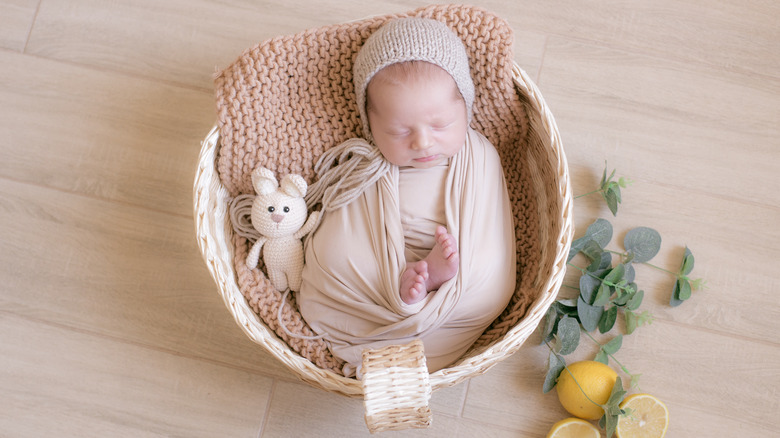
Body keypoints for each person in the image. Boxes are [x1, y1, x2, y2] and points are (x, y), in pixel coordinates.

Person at [298, 17, 516, 376]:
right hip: (373, 267)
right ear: (369, 124)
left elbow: (490, 222)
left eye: (441, 125)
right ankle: (404, 288)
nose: (423, 142)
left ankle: (430, 281)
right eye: (398, 131)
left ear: (466, 106)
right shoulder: (364, 162)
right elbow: (342, 211)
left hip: (456, 259)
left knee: (488, 273)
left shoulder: (480, 157)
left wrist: (460, 265)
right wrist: (384, 269)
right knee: (332, 255)